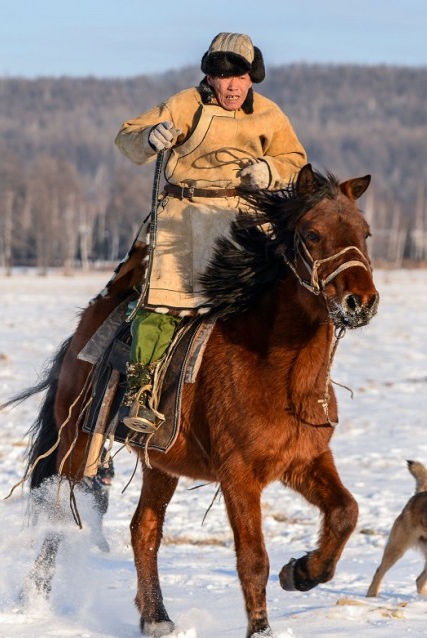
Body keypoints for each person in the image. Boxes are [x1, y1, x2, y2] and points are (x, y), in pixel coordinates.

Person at [110, 32, 308, 433]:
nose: (232, 85)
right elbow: (126, 137)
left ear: (253, 76)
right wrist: (150, 138)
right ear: (210, 77)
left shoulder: (269, 114)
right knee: (165, 301)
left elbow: (296, 160)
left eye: (240, 76)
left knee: (285, 296)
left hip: (244, 217)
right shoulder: (184, 104)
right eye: (223, 76)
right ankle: (140, 392)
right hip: (185, 213)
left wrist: (270, 171)